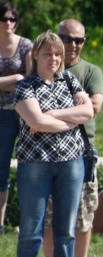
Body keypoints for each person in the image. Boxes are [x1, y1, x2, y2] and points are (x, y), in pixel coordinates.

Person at [12, 31, 93, 257]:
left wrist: (51, 116)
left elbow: (88, 112)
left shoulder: (70, 80)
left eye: (58, 54)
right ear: (36, 55)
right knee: (31, 230)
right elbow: (36, 121)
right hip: (35, 164)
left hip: (71, 163)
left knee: (66, 230)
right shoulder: (25, 86)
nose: (54, 59)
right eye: (48, 54)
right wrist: (64, 119)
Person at [37, 19, 103, 257]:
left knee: (84, 213)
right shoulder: (46, 69)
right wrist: (74, 108)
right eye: (66, 38)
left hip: (84, 150)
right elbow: (35, 111)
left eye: (78, 40)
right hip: (47, 151)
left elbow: (94, 107)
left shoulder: (91, 70)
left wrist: (51, 114)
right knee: (50, 215)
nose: (72, 45)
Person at [0, 2, 31, 233]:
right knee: (1, 168)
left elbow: (29, 80)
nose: (8, 23)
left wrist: (17, 80)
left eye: (12, 19)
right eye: (4, 19)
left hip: (23, 112)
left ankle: (27, 221)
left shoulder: (26, 45)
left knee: (28, 167)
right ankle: (0, 224)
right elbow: (21, 78)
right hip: (2, 115)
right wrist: (16, 77)